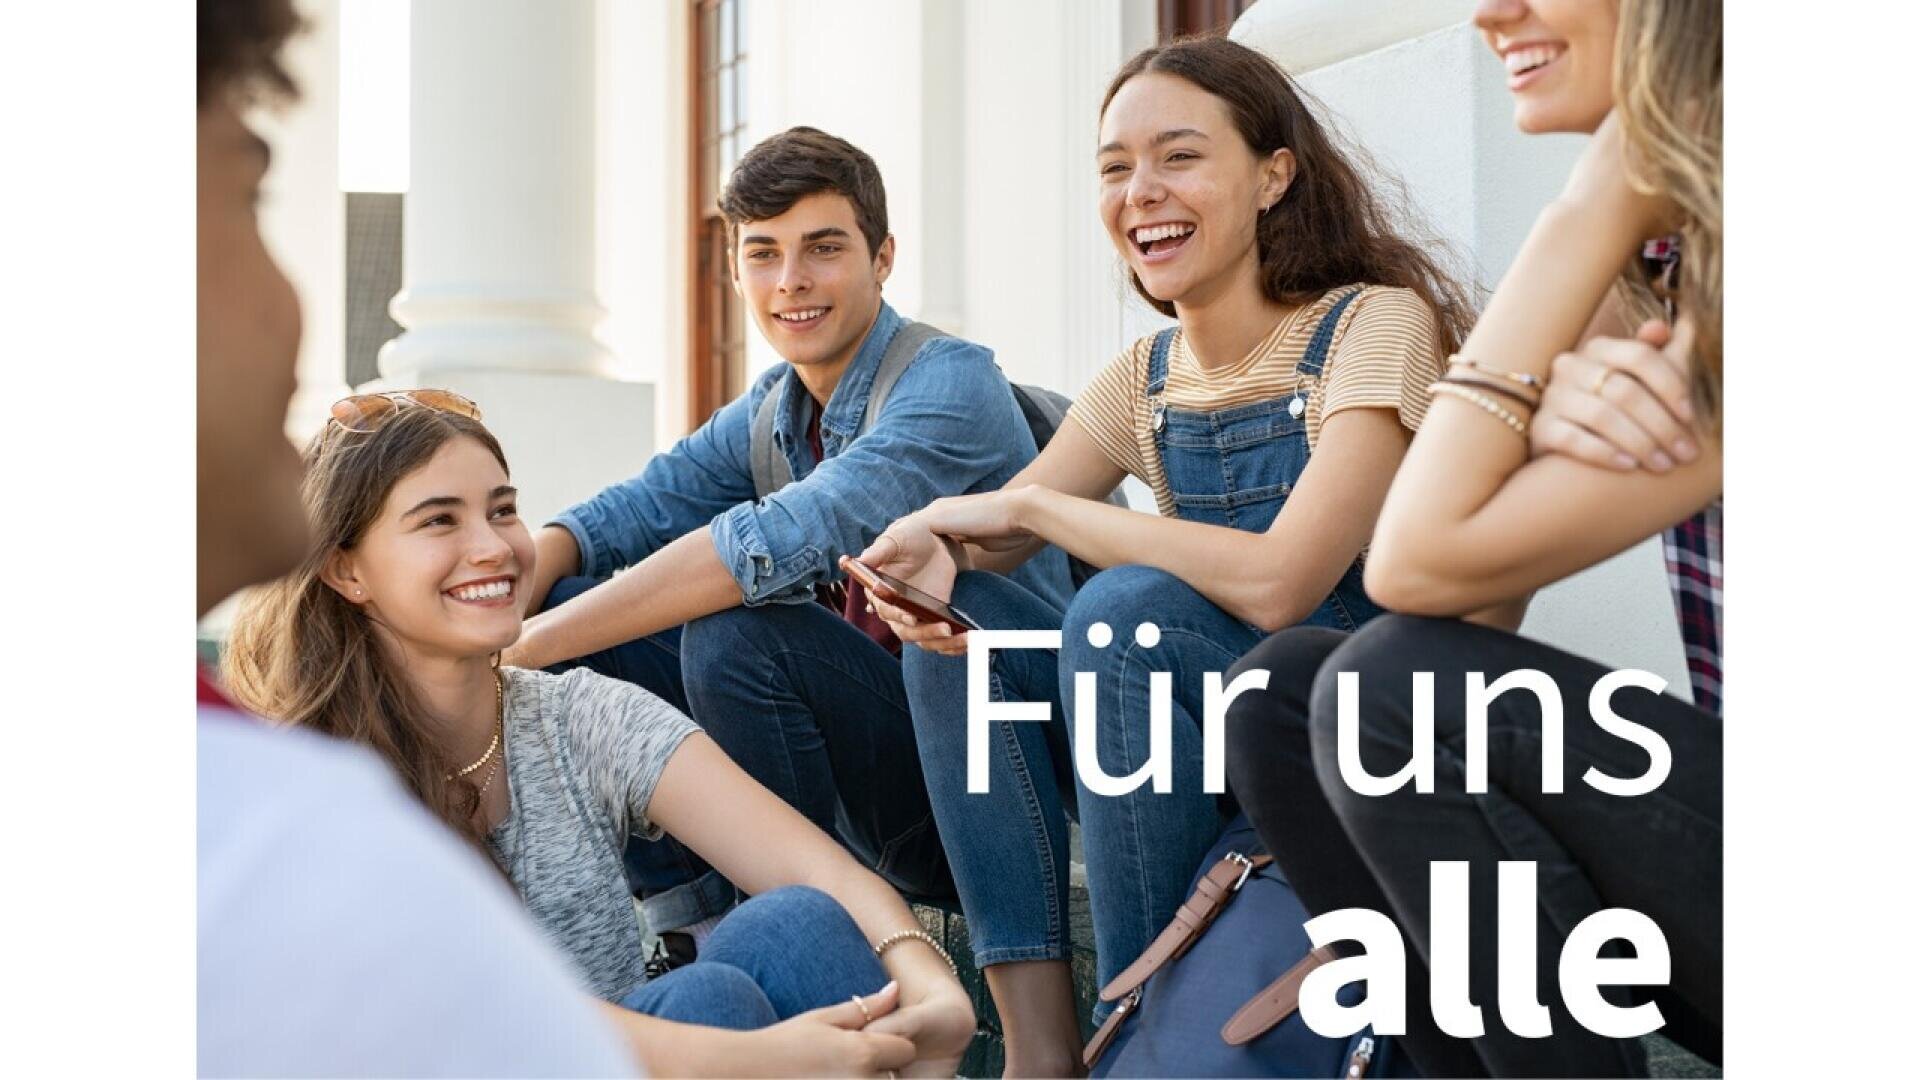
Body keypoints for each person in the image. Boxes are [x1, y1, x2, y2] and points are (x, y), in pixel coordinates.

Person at [859, 36, 1476, 1075]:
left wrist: (1040, 514)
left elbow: (1285, 584)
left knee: (1124, 616)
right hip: (1187, 731)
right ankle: (1045, 1049)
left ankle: (1144, 1038)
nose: (1141, 192)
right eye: (1114, 167)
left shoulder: (1374, 325)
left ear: (1275, 175)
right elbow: (1009, 523)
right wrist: (933, 547)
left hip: (1346, 728)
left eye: (1179, 157)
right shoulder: (1143, 375)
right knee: (959, 642)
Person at [1224, 0, 1722, 1075]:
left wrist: (1590, 199)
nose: (1492, 13)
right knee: (1288, 697)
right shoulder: (1665, 269)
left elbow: (1409, 567)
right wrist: (1537, 417)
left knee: (1384, 688)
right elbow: (1458, 608)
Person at [223, 395, 976, 1077]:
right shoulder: (316, 780)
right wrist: (747, 1058)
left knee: (797, 925)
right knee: (709, 1002)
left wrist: (931, 986)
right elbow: (476, 1019)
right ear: (346, 571)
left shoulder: (572, 717)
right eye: (439, 520)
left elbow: (823, 874)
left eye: (503, 509)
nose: (492, 548)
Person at [503, 126, 1075, 958]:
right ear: (734, 269)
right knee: (573, 613)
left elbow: (760, 547)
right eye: (763, 254)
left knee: (737, 636)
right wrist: (521, 604)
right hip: (860, 766)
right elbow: (629, 512)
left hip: (984, 789)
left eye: (823, 249)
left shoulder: (949, 385)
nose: (791, 282)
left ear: (883, 258)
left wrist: (513, 655)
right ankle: (699, 921)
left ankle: (800, 936)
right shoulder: (778, 406)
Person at [196, 1, 635, 1073]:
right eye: (247, 195)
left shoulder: (565, 718)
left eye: (502, 508)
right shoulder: (274, 832)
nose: (297, 301)